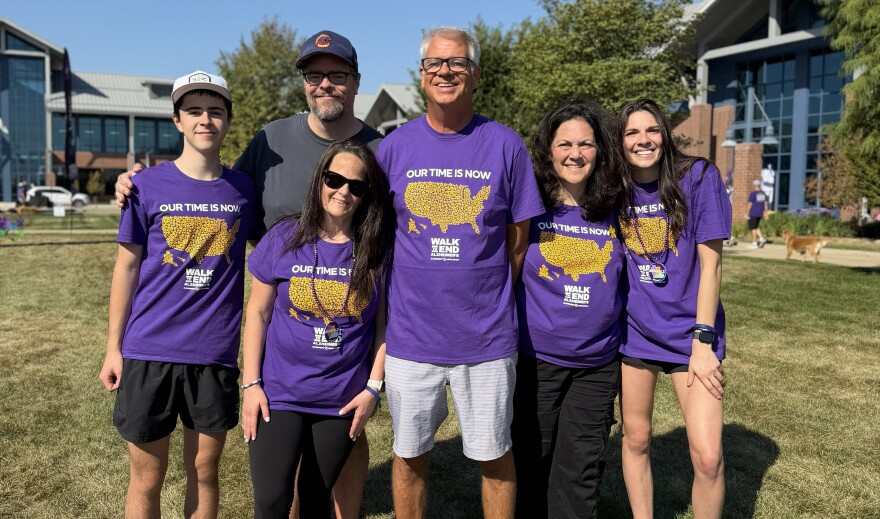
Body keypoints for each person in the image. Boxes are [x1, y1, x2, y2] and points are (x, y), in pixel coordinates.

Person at [115, 30, 383, 518]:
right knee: (261, 483)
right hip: (282, 322)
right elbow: (210, 189)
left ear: (355, 81)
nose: (326, 84)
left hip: (346, 333)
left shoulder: (379, 148)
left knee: (342, 441)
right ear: (304, 83)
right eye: (315, 75)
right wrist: (134, 179)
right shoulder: (271, 141)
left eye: (337, 75)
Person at [375, 26, 545, 519]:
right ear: (422, 75)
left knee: (495, 455)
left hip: (486, 339)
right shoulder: (394, 149)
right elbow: (381, 236)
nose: (444, 72)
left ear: (474, 75)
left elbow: (518, 243)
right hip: (411, 339)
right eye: (434, 64)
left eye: (456, 64)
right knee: (408, 456)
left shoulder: (505, 146)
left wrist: (484, 294)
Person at [99, 70, 256, 518]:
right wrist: (114, 348)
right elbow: (126, 267)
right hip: (149, 350)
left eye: (215, 111)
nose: (205, 119)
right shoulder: (145, 186)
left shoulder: (245, 189)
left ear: (227, 121)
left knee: (205, 472)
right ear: (177, 120)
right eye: (194, 111)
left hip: (213, 355)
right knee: (147, 477)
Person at [241, 140, 388, 518]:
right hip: (279, 394)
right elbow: (257, 313)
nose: (343, 191)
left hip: (339, 399)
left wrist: (373, 387)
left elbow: (384, 326)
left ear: (365, 194)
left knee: (315, 498)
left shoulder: (377, 250)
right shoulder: (284, 236)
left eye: (356, 185)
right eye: (334, 179)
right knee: (272, 501)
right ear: (319, 178)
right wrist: (251, 385)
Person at [614, 99, 730, 519]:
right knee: (637, 439)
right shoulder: (613, 187)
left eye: (651, 130)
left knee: (708, 457)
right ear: (620, 141)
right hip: (635, 335)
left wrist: (703, 340)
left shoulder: (697, 177)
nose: (643, 140)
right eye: (631, 132)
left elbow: (711, 263)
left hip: (691, 338)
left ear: (664, 133)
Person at [510, 99, 624, 519]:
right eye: (564, 144)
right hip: (535, 360)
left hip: (596, 365)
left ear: (600, 151)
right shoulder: (528, 208)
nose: (575, 154)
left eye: (586, 144)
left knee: (580, 468)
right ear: (548, 150)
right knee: (531, 461)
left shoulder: (617, 208)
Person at [747, 179, 768, 249]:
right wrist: (765, 212)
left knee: (753, 228)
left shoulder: (753, 194)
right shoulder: (763, 193)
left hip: (753, 212)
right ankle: (761, 238)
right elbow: (765, 204)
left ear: (755, 186)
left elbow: (750, 204)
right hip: (760, 213)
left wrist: (747, 213)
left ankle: (754, 243)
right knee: (756, 226)